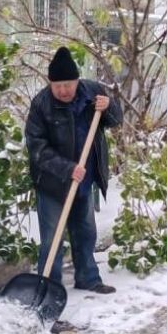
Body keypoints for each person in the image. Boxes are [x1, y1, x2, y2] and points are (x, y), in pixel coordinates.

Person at [25, 46, 123, 294]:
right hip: (52, 184)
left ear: (77, 81)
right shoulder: (41, 105)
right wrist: (67, 169)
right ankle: (49, 290)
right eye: (57, 85)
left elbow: (115, 120)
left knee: (86, 232)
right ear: (49, 83)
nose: (63, 90)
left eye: (67, 84)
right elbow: (37, 148)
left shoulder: (92, 92)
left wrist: (109, 106)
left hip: (84, 180)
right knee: (52, 240)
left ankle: (88, 278)